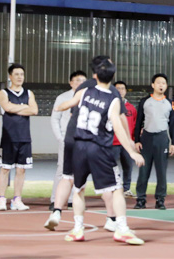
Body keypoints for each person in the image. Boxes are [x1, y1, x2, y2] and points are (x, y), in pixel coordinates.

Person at [64, 56, 145, 245]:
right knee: (116, 189)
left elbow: (66, 106)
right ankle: (121, 228)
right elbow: (118, 125)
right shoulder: (112, 97)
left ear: (94, 75)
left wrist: (59, 107)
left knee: (78, 189)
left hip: (79, 146)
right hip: (99, 148)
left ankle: (78, 229)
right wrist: (131, 150)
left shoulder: (84, 91)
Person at [44, 57, 125, 233]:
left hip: (73, 136)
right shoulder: (111, 92)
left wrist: (59, 108)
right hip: (93, 142)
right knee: (108, 184)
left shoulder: (85, 88)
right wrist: (130, 142)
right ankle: (112, 219)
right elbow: (120, 118)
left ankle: (56, 213)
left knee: (68, 177)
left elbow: (69, 108)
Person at [0, 63, 38, 211]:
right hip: (9, 137)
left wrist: (16, 108)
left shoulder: (29, 93)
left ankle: (17, 199)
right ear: (10, 76)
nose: (20, 77)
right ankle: (2, 199)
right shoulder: (4, 93)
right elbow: (7, 107)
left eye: (22, 74)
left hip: (24, 137)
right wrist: (25, 107)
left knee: (21, 170)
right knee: (5, 169)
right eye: (16, 74)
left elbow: (34, 110)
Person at [134, 73, 174, 210]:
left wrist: (173, 142)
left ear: (166, 86)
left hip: (162, 138)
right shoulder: (145, 101)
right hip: (146, 138)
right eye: (158, 83)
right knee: (143, 171)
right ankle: (141, 199)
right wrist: (137, 140)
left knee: (161, 171)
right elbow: (138, 121)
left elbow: (172, 124)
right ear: (153, 85)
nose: (161, 85)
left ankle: (160, 199)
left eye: (163, 83)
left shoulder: (169, 103)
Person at [49, 70, 87, 208]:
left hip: (83, 139)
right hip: (67, 139)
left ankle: (73, 200)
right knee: (62, 169)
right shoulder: (63, 97)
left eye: (83, 81)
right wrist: (60, 138)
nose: (80, 83)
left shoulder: (89, 97)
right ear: (71, 83)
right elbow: (55, 119)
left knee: (80, 170)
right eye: (77, 80)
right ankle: (55, 200)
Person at [113, 81, 137, 197]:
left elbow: (135, 125)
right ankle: (114, 188)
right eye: (118, 88)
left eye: (122, 88)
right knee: (112, 167)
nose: (120, 91)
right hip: (113, 142)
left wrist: (133, 141)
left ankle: (126, 189)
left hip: (127, 143)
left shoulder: (131, 108)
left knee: (128, 167)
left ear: (126, 91)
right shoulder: (111, 106)